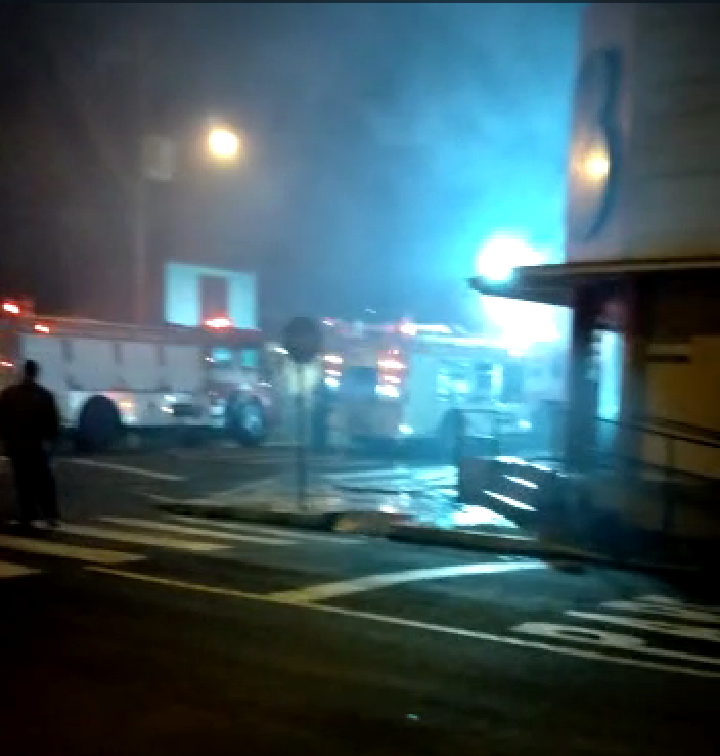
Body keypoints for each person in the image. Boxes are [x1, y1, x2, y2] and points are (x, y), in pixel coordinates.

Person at [0, 359, 61, 529]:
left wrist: (6, 441)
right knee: (44, 482)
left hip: (17, 446)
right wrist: (51, 443)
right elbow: (53, 425)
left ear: (23, 372)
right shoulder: (45, 396)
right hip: (38, 446)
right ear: (36, 374)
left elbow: (2, 422)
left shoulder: (8, 395)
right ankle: (50, 515)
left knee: (23, 482)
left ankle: (27, 516)